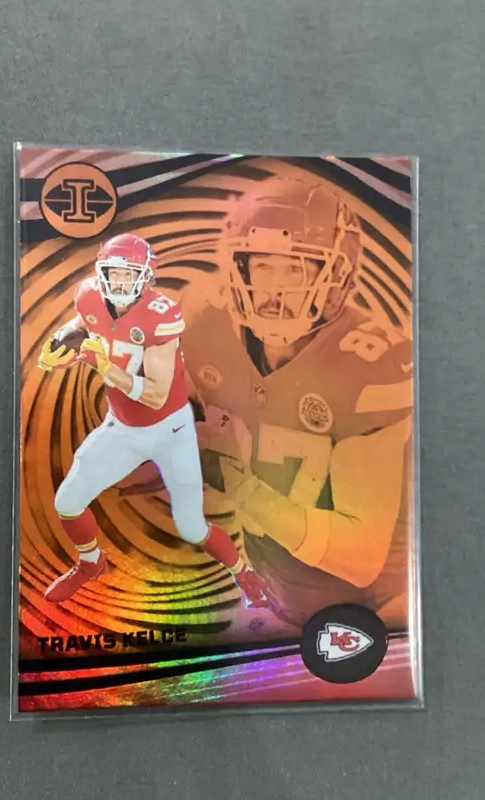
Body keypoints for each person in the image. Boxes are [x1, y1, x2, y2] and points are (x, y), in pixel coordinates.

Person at [165, 176, 414, 629]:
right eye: (263, 266)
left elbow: (361, 557)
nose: (275, 290)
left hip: (374, 611)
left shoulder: (369, 365)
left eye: (296, 269)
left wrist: (241, 488)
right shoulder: (205, 322)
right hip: (269, 590)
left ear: (334, 276)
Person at [35, 232, 270, 608]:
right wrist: (65, 337)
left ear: (145, 277)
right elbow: (84, 320)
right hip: (123, 427)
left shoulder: (161, 315)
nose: (119, 283)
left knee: (191, 527)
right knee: (67, 501)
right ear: (101, 273)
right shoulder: (90, 294)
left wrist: (102, 365)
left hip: (170, 430)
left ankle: (242, 571)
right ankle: (91, 563)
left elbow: (156, 394)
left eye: (128, 275)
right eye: (113, 274)